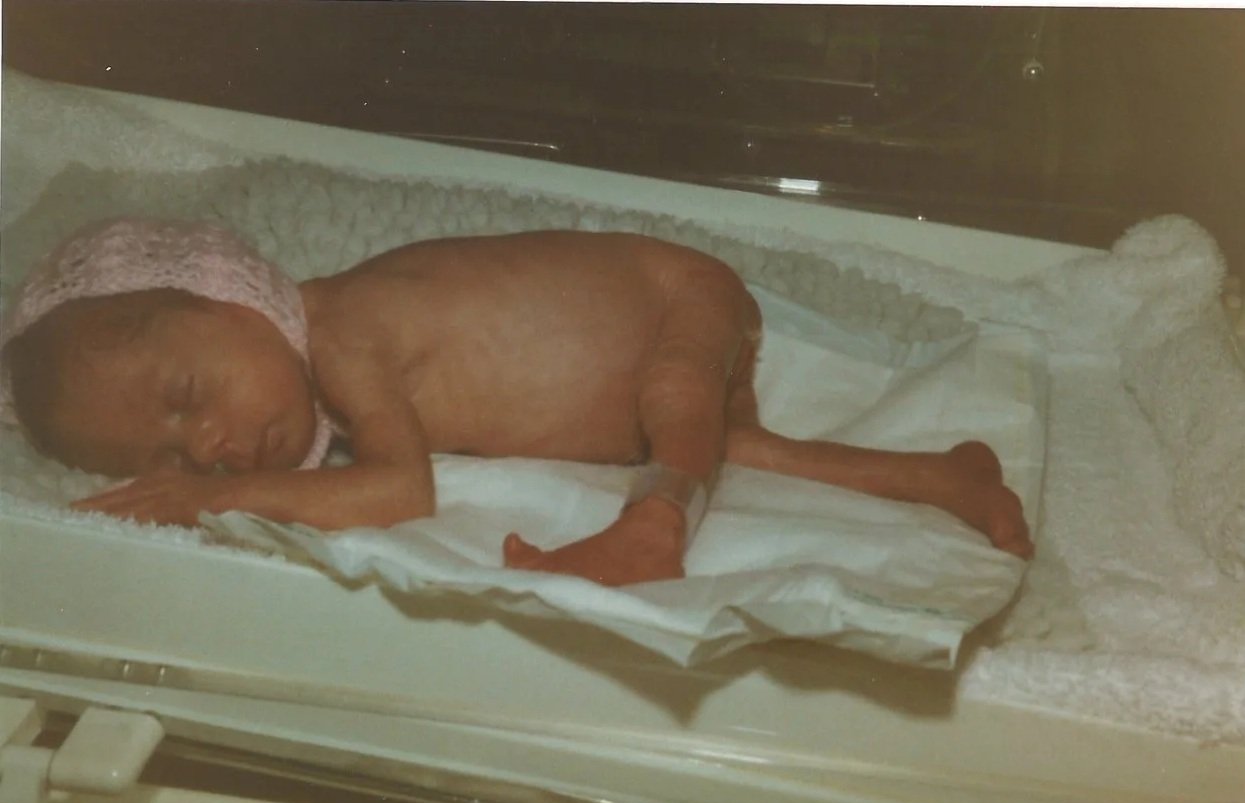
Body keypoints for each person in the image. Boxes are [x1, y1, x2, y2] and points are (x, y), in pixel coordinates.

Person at [0, 218, 1034, 585]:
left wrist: (210, 501)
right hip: (635, 400)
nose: (216, 444)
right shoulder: (326, 376)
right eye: (176, 457)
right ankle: (945, 475)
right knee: (733, 448)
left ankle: (652, 529)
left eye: (188, 395)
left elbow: (399, 491)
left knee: (678, 393)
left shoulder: (345, 329)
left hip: (679, 296)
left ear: (229, 292)